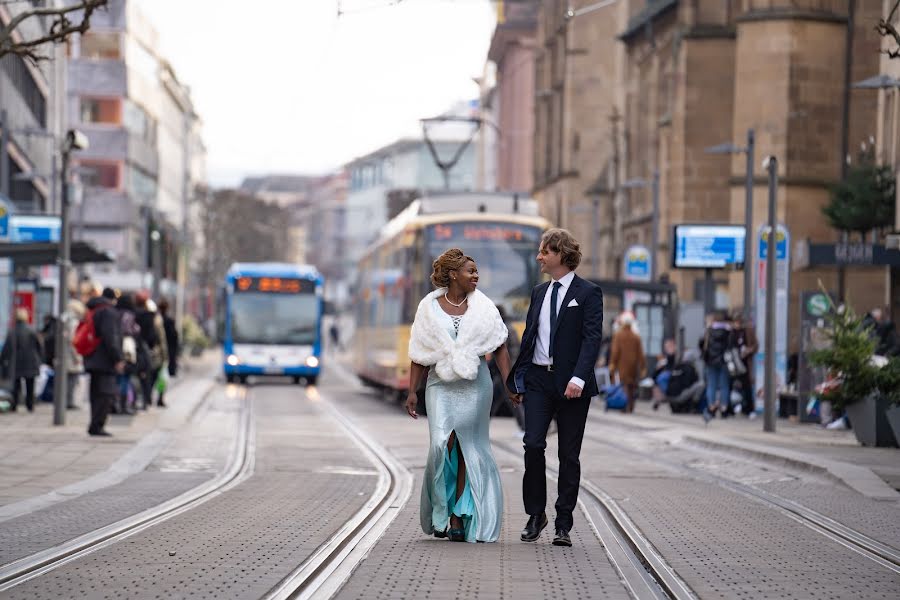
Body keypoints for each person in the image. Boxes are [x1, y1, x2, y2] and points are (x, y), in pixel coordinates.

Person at [405, 248, 514, 543]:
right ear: (454, 275)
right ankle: (440, 510)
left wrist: (509, 382)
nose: (476, 276)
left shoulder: (484, 307)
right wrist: (412, 391)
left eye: (477, 271)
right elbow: (418, 352)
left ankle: (457, 518)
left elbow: (500, 344)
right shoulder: (428, 307)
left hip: (475, 385)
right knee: (440, 445)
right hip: (439, 385)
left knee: (469, 449)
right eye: (471, 271)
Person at [505, 228, 603, 547]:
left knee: (568, 455)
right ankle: (536, 514)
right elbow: (529, 338)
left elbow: (591, 340)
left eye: (544, 251)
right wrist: (518, 379)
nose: (539, 257)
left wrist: (579, 377)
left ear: (561, 253)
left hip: (572, 384)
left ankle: (563, 523)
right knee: (533, 444)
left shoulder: (588, 293)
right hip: (538, 380)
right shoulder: (538, 292)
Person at [83, 285, 125, 436]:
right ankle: (97, 425)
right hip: (105, 360)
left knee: (96, 393)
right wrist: (118, 358)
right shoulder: (109, 312)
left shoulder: (94, 309)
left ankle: (94, 424)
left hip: (92, 358)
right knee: (106, 394)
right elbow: (111, 337)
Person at [1, 309, 43, 412]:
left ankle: (14, 405)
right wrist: (40, 359)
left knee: (16, 385)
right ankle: (30, 405)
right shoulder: (32, 330)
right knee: (30, 384)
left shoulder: (12, 331)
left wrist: (2, 360)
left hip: (16, 362)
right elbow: (39, 346)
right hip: (31, 361)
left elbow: (7, 348)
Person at [608, 312, 646, 413]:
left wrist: (612, 364)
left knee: (622, 385)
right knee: (631, 387)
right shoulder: (636, 336)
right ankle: (631, 406)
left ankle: (623, 405)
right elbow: (641, 354)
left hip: (621, 366)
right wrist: (642, 367)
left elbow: (615, 352)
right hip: (633, 366)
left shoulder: (618, 335)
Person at [701, 310, 734, 422]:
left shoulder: (709, 330)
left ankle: (712, 407)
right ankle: (724, 408)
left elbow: (702, 344)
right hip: (724, 361)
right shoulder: (728, 331)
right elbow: (731, 345)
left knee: (712, 385)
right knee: (724, 385)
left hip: (711, 361)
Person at [731, 312, 758, 416]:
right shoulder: (731, 332)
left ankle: (749, 409)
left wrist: (749, 350)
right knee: (734, 385)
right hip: (733, 364)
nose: (737, 324)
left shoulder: (748, 331)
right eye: (735, 322)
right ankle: (736, 407)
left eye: (738, 322)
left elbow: (755, 345)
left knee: (747, 386)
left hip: (745, 363)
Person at [157, 299, 180, 377]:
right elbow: (175, 337)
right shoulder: (169, 321)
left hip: (159, 350)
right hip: (169, 349)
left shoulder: (156, 320)